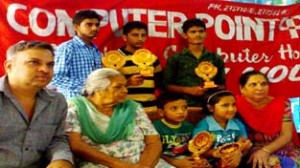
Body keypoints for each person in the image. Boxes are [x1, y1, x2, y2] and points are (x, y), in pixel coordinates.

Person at [65, 68, 172, 167]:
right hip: (100, 164)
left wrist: (144, 165)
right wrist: (122, 165)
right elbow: (76, 145)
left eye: (125, 86)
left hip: (142, 163)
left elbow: (153, 141)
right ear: (98, 90)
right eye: (118, 87)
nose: (125, 90)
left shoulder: (133, 107)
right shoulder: (75, 108)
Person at [0, 41, 73, 167]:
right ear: (9, 66)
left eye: (50, 65)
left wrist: (61, 160)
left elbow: (57, 139)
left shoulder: (57, 101)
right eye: (34, 62)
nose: (45, 69)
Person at [236, 70, 300, 168]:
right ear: (242, 88)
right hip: (252, 148)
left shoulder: (282, 104)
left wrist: (266, 150)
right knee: (270, 163)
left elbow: (287, 135)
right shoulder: (235, 104)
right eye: (253, 84)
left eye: (263, 84)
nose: (259, 88)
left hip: (282, 146)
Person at [163, 18, 226, 108]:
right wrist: (188, 90)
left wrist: (211, 87)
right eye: (193, 32)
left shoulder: (215, 58)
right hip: (184, 106)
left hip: (210, 106)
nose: (198, 35)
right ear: (185, 35)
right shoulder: (175, 58)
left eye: (201, 31)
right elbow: (167, 85)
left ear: (206, 34)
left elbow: (222, 85)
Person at [49, 9, 102, 99]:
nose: (94, 28)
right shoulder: (67, 48)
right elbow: (56, 77)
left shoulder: (95, 50)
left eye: (97, 25)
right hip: (74, 101)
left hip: (95, 100)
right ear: (76, 27)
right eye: (89, 24)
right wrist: (87, 87)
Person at [193, 90, 252, 168]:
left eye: (233, 105)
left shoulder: (237, 123)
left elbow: (243, 142)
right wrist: (214, 153)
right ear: (210, 108)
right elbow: (198, 151)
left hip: (235, 160)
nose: (231, 109)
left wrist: (239, 153)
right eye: (225, 105)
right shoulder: (203, 127)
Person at [116, 21, 163, 114]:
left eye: (143, 35)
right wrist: (127, 82)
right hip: (126, 110)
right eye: (135, 35)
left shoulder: (152, 58)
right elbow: (107, 87)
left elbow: (159, 83)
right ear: (125, 37)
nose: (140, 38)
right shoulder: (114, 58)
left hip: (150, 109)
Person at [153, 92, 210, 168]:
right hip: (162, 159)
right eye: (174, 108)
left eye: (184, 108)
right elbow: (155, 152)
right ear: (161, 112)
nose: (181, 112)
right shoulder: (155, 128)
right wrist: (176, 162)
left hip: (183, 158)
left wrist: (197, 159)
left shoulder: (189, 126)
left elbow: (192, 148)